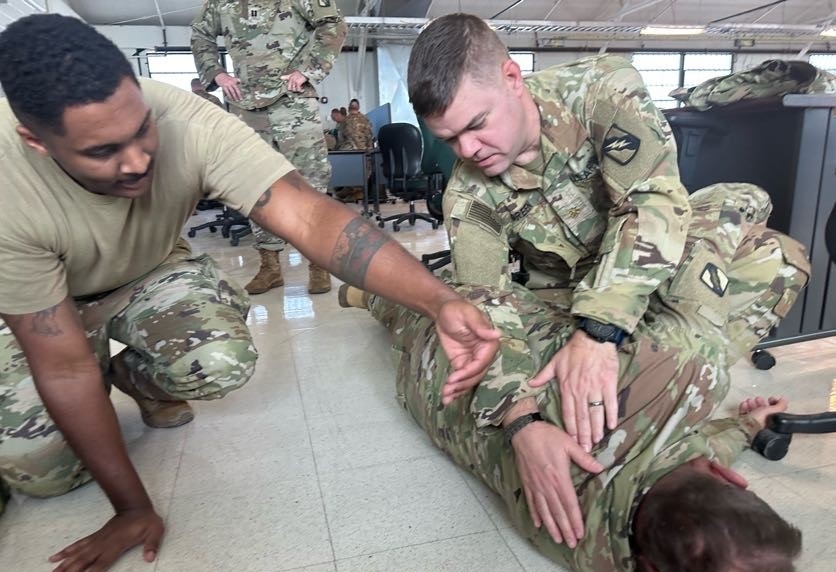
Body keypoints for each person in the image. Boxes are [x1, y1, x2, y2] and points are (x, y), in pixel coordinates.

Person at [0, 15, 500, 572]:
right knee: (42, 471)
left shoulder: (189, 120)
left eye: (142, 130)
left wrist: (441, 301)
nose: (138, 160)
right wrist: (132, 509)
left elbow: (312, 219)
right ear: (36, 141)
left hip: (150, 271)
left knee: (219, 359)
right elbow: (63, 367)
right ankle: (98, 377)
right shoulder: (6, 181)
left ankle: (130, 376)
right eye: (103, 152)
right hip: (50, 300)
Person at [336, 12, 813, 571]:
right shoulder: (469, 194)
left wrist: (600, 334)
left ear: (513, 79)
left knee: (771, 262)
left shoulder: (602, 92)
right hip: (556, 302)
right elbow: (482, 309)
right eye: (448, 139)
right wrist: (523, 417)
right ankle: (668, 382)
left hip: (631, 277)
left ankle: (657, 383)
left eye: (477, 124)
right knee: (452, 315)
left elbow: (654, 204)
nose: (467, 150)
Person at [191, 0, 346, 296]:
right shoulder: (220, 3)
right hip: (246, 108)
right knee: (256, 188)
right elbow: (200, 32)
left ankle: (318, 265)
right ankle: (270, 268)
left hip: (294, 103)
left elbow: (333, 23)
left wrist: (309, 70)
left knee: (311, 187)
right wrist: (216, 74)